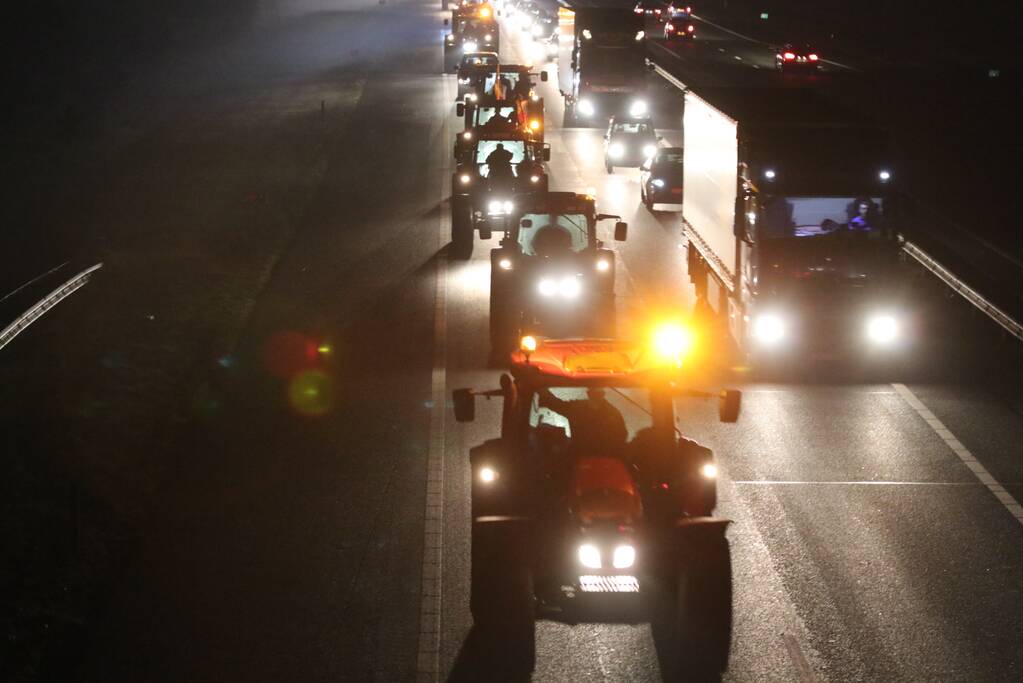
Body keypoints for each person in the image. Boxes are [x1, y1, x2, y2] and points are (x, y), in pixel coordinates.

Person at [538, 387, 628, 456]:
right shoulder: (613, 413)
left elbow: (621, 438)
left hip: (587, 460)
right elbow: (622, 438)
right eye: (593, 392)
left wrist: (541, 388)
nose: (594, 395)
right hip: (585, 460)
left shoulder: (578, 408)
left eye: (595, 392)